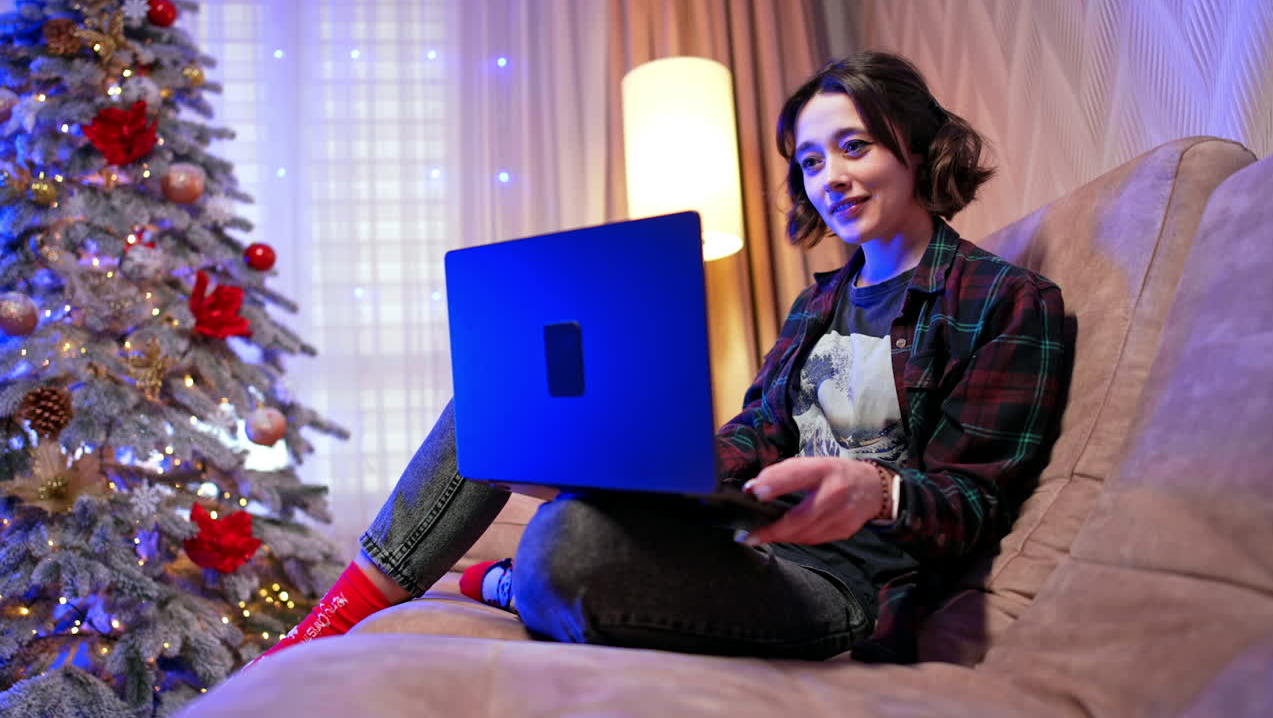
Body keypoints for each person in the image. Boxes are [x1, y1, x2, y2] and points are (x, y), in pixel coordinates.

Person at [249, 51, 1067, 668]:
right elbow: (755, 438)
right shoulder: (819, 303)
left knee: (566, 549)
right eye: (812, 162)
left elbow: (975, 504)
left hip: (847, 586)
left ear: (918, 149)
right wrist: (637, 457)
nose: (831, 180)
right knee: (499, 405)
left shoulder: (1004, 301)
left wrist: (876, 488)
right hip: (742, 538)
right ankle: (329, 628)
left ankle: (506, 581)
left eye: (853, 147)